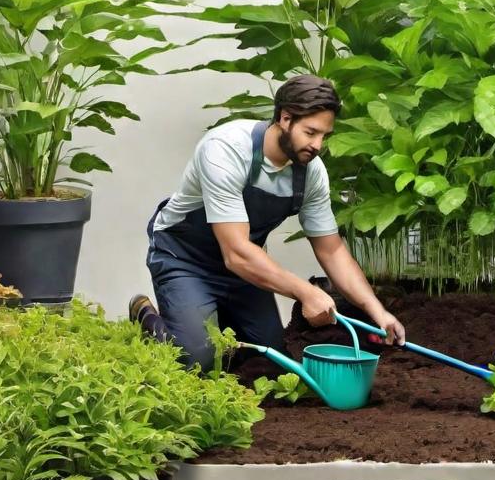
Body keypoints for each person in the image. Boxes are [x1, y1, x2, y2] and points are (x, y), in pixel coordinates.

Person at [129, 75, 406, 370]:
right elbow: (235, 253)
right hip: (185, 258)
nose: (318, 145)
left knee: (271, 363)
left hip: (245, 268)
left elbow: (332, 250)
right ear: (285, 118)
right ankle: (148, 316)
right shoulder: (227, 149)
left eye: (324, 135)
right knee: (197, 360)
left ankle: (202, 322)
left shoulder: (310, 173)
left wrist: (377, 312)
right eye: (311, 132)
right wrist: (306, 291)